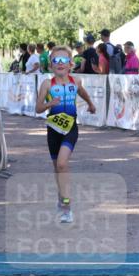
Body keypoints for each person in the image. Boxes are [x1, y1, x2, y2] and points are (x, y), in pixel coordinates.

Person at [34, 46, 96, 224]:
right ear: (51, 65)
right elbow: (38, 109)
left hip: (70, 128)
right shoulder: (47, 84)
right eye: (56, 60)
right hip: (53, 130)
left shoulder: (75, 81)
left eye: (63, 61)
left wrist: (90, 104)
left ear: (70, 64)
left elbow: (82, 92)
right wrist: (49, 104)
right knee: (58, 168)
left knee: (62, 163)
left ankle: (66, 207)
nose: (60, 64)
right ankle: (62, 199)